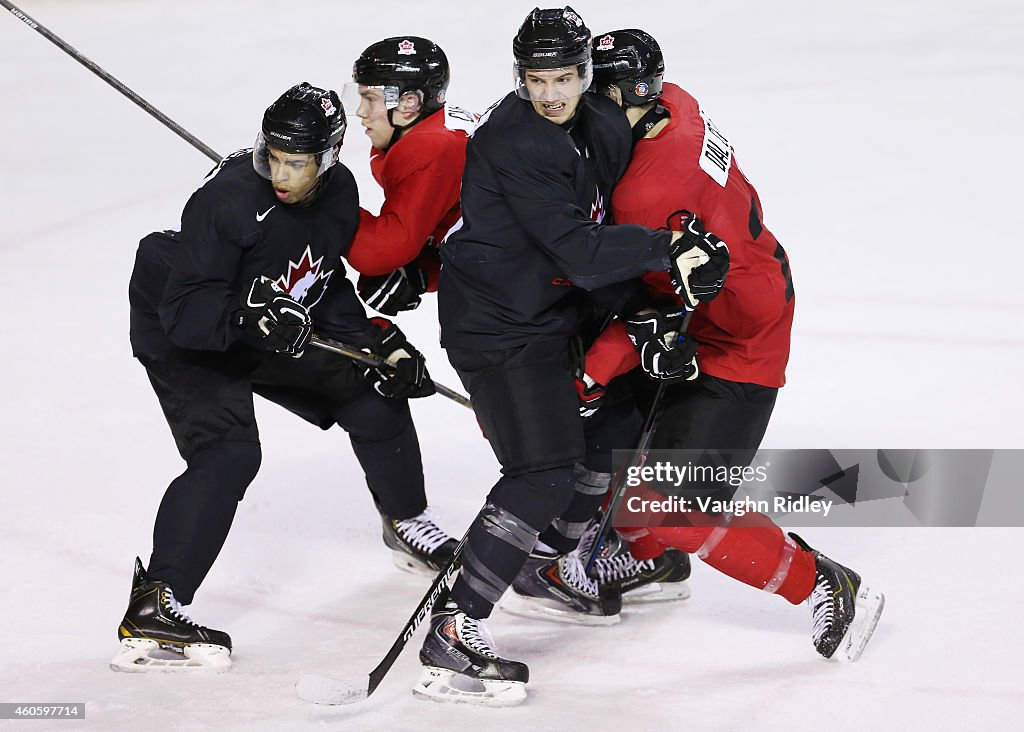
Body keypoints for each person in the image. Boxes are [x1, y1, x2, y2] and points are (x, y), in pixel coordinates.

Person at [413, 8, 729, 706]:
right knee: (541, 471)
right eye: (535, 78)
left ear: (586, 75)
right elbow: (580, 250)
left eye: (562, 77)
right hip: (499, 331)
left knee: (612, 429)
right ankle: (454, 629)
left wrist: (648, 296)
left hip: (551, 314)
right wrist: (668, 250)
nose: (549, 92)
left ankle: (542, 564)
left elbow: (606, 213)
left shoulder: (595, 122)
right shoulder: (518, 140)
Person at [112, 82, 455, 673]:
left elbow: (320, 281)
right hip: (184, 330)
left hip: (269, 324)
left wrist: (373, 345)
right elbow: (188, 314)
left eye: (296, 162)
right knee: (228, 455)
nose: (280, 173)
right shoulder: (227, 205)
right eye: (272, 156)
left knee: (373, 389)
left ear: (328, 159)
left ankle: (406, 523)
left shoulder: (338, 192)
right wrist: (251, 313)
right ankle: (156, 604)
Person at [569, 28, 884, 662]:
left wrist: (596, 368)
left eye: (600, 97)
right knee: (635, 467)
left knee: (673, 503)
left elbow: (644, 295)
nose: (590, 114)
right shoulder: (674, 105)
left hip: (737, 338)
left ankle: (824, 581)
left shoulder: (647, 189)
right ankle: (647, 560)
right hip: (730, 300)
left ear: (632, 94)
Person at [342, 37, 476, 317]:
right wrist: (423, 272)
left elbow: (381, 251)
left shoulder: (430, 149)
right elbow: (467, 230)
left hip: (535, 295)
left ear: (409, 104)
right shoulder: (438, 131)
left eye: (370, 100)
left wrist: (318, 201)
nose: (360, 112)